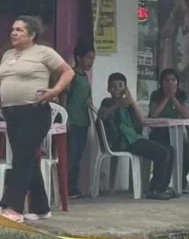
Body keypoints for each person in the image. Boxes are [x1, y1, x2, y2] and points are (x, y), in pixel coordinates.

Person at [0, 16, 75, 222]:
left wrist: (54, 91)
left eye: (19, 30)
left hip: (35, 112)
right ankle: (41, 207)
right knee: (27, 158)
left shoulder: (44, 52)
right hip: (11, 113)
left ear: (32, 35)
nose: (13, 33)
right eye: (13, 29)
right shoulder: (8, 54)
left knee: (21, 159)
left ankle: (12, 207)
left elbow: (68, 72)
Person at [97, 73, 176, 201]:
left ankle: (162, 187)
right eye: (113, 86)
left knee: (170, 150)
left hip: (135, 138)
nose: (116, 89)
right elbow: (101, 114)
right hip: (124, 141)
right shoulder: (108, 102)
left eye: (120, 86)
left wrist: (131, 101)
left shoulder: (127, 106)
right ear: (108, 89)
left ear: (125, 88)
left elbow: (141, 120)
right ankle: (154, 190)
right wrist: (118, 103)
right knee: (162, 153)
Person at [148, 68, 189, 191]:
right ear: (161, 83)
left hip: (176, 132)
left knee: (187, 152)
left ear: (177, 83)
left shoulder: (182, 95)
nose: (170, 83)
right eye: (166, 80)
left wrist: (173, 99)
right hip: (159, 132)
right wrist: (166, 98)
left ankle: (181, 180)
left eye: (173, 80)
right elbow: (153, 114)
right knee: (166, 151)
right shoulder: (156, 94)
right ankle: (159, 183)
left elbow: (185, 114)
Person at [64, 41, 95, 199]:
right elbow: (65, 97)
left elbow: (85, 95)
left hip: (83, 122)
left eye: (93, 59)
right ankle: (67, 188)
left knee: (78, 157)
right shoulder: (72, 76)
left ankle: (74, 187)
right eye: (89, 58)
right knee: (71, 157)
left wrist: (89, 98)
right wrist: (64, 119)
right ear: (78, 57)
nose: (91, 62)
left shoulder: (85, 77)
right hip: (72, 122)